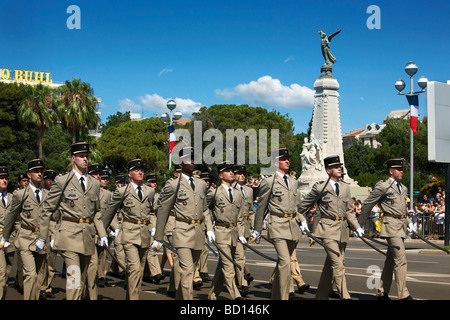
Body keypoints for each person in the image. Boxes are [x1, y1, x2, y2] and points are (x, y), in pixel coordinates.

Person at [36, 142, 108, 300]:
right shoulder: (62, 181)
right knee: (74, 278)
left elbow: (96, 212)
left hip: (88, 235)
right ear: (73, 158)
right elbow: (47, 209)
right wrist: (42, 237)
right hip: (69, 234)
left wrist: (102, 234)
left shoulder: (94, 183)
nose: (85, 159)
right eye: (81, 156)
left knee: (83, 280)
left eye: (87, 156)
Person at [152, 147, 215, 300]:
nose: (192, 162)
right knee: (187, 271)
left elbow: (205, 209)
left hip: (198, 232)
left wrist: (209, 228)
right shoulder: (174, 184)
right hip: (181, 231)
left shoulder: (200, 184)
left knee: (190, 270)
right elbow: (163, 211)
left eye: (194, 159)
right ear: (180, 164)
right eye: (189, 159)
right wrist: (158, 237)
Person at [298, 155, 363, 300]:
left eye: (340, 166)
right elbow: (302, 207)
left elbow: (349, 211)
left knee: (331, 266)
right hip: (327, 230)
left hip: (343, 230)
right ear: (328, 170)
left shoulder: (345, 187)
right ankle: (345, 296)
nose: (339, 168)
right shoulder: (321, 187)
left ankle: (320, 296)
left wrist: (357, 227)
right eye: (335, 167)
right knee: (338, 265)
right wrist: (302, 221)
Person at [251, 148, 309, 300]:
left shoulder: (294, 182)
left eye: (288, 158)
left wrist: (303, 221)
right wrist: (257, 229)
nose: (287, 161)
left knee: (286, 263)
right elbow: (261, 207)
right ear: (276, 162)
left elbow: (297, 207)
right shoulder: (269, 182)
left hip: (292, 226)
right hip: (277, 225)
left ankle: (275, 295)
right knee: (285, 262)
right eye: (284, 159)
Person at [359, 158, 415, 300]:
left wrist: (409, 222)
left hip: (401, 226)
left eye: (402, 169)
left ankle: (382, 291)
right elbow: (368, 204)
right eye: (398, 169)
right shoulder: (384, 186)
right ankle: (404, 294)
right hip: (391, 227)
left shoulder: (403, 188)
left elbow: (402, 210)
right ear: (391, 171)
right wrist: (359, 224)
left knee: (391, 261)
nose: (401, 171)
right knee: (401, 260)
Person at [103, 159, 154, 300]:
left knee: (140, 271)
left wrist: (154, 228)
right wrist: (103, 232)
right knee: (135, 269)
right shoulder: (122, 191)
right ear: (130, 173)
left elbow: (153, 212)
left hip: (144, 234)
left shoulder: (150, 191)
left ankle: (132, 296)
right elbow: (110, 212)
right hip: (129, 234)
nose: (140, 172)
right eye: (137, 170)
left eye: (142, 170)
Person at [1, 159, 49, 300]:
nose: (39, 173)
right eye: (36, 171)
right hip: (25, 237)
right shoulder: (21, 194)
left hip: (42, 238)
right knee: (30, 274)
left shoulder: (48, 194)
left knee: (40, 276)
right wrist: (5, 236)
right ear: (29, 174)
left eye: (41, 171)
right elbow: (11, 216)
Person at [207, 162, 245, 300]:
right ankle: (236, 295)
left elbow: (240, 216)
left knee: (222, 267)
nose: (231, 173)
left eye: (232, 171)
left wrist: (241, 234)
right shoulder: (214, 192)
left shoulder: (237, 193)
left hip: (234, 232)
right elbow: (205, 210)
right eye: (227, 171)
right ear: (220, 175)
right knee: (228, 265)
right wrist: (209, 229)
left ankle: (212, 295)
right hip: (221, 231)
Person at [233, 164, 254, 296]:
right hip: (235, 227)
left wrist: (253, 227)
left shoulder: (249, 190)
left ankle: (234, 280)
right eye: (239, 173)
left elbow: (251, 210)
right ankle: (243, 283)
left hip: (246, 226)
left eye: (243, 173)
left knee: (240, 256)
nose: (242, 175)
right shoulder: (231, 189)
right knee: (239, 256)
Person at [143, 173, 165, 284]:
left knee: (150, 249)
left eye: (155, 182)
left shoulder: (157, 195)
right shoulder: (144, 193)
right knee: (146, 250)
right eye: (152, 182)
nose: (154, 183)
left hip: (153, 223)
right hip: (143, 224)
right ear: (147, 183)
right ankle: (156, 273)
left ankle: (147, 274)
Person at [40, 169, 58, 299]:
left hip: (54, 230)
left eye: (53, 179)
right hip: (42, 230)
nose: (51, 182)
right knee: (41, 262)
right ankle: (40, 286)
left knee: (51, 262)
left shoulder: (57, 195)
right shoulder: (40, 194)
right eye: (48, 179)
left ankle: (48, 287)